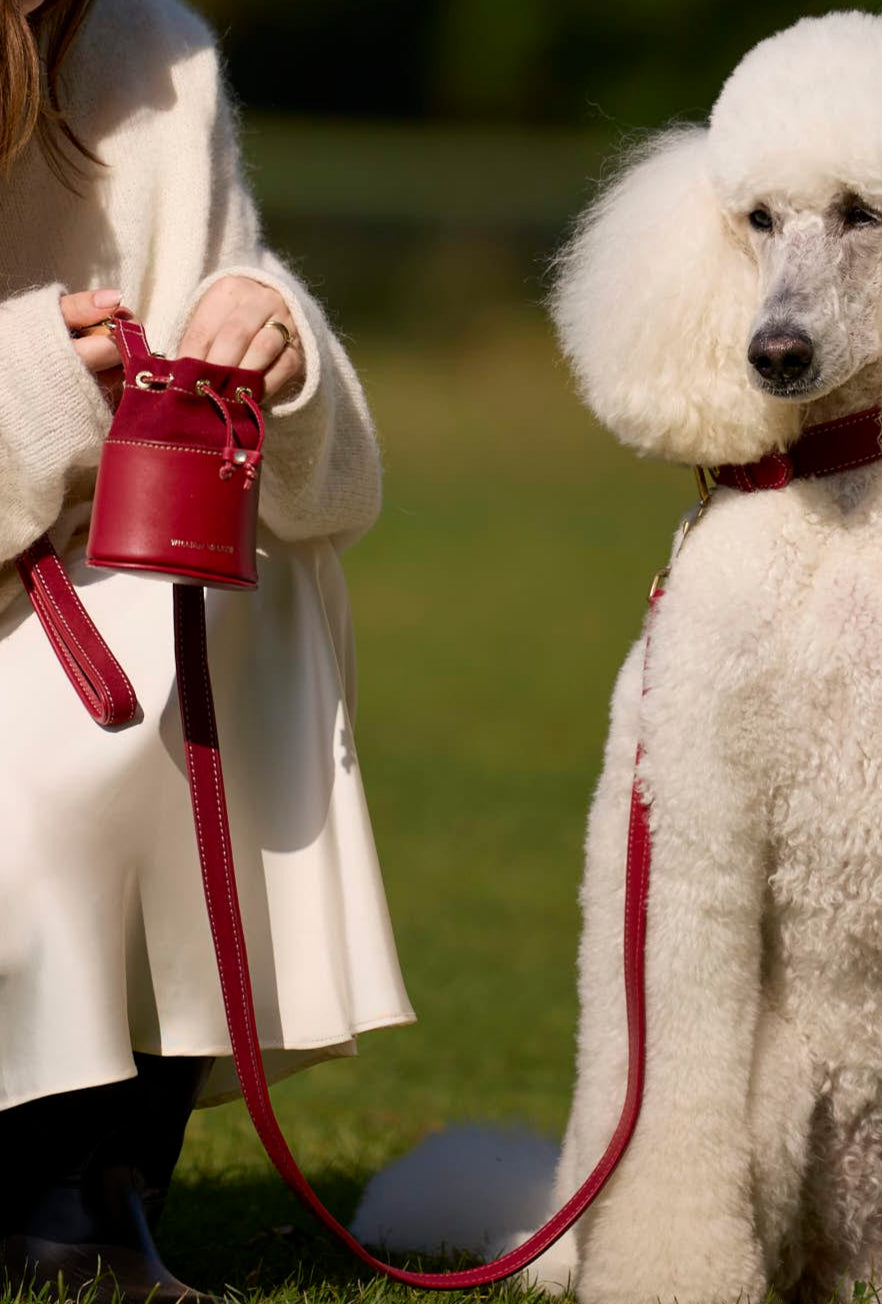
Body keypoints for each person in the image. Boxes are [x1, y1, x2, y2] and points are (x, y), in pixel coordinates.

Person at [0, 0, 415, 1297]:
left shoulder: (151, 54)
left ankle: (85, 1185)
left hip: (65, 599)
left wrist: (269, 339)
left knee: (244, 584)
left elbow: (321, 498)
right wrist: (33, 382)